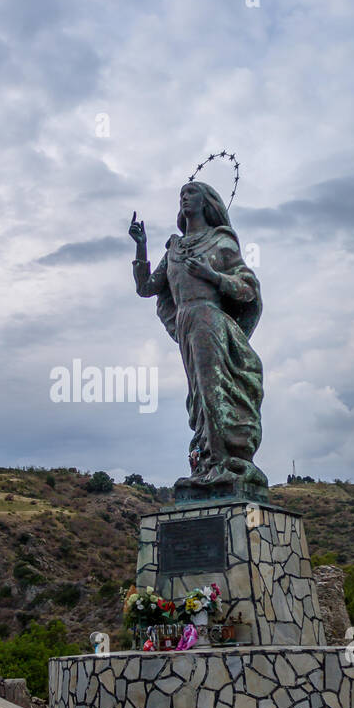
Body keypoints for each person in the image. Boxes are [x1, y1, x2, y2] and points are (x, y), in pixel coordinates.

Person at [129, 179, 267, 499]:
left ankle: (221, 464)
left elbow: (246, 288)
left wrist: (212, 275)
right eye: (181, 195)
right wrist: (140, 246)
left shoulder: (221, 242)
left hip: (209, 318)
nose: (184, 199)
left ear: (206, 202)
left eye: (191, 193)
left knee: (210, 390)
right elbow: (146, 288)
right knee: (198, 399)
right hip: (186, 322)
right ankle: (206, 463)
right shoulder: (175, 248)